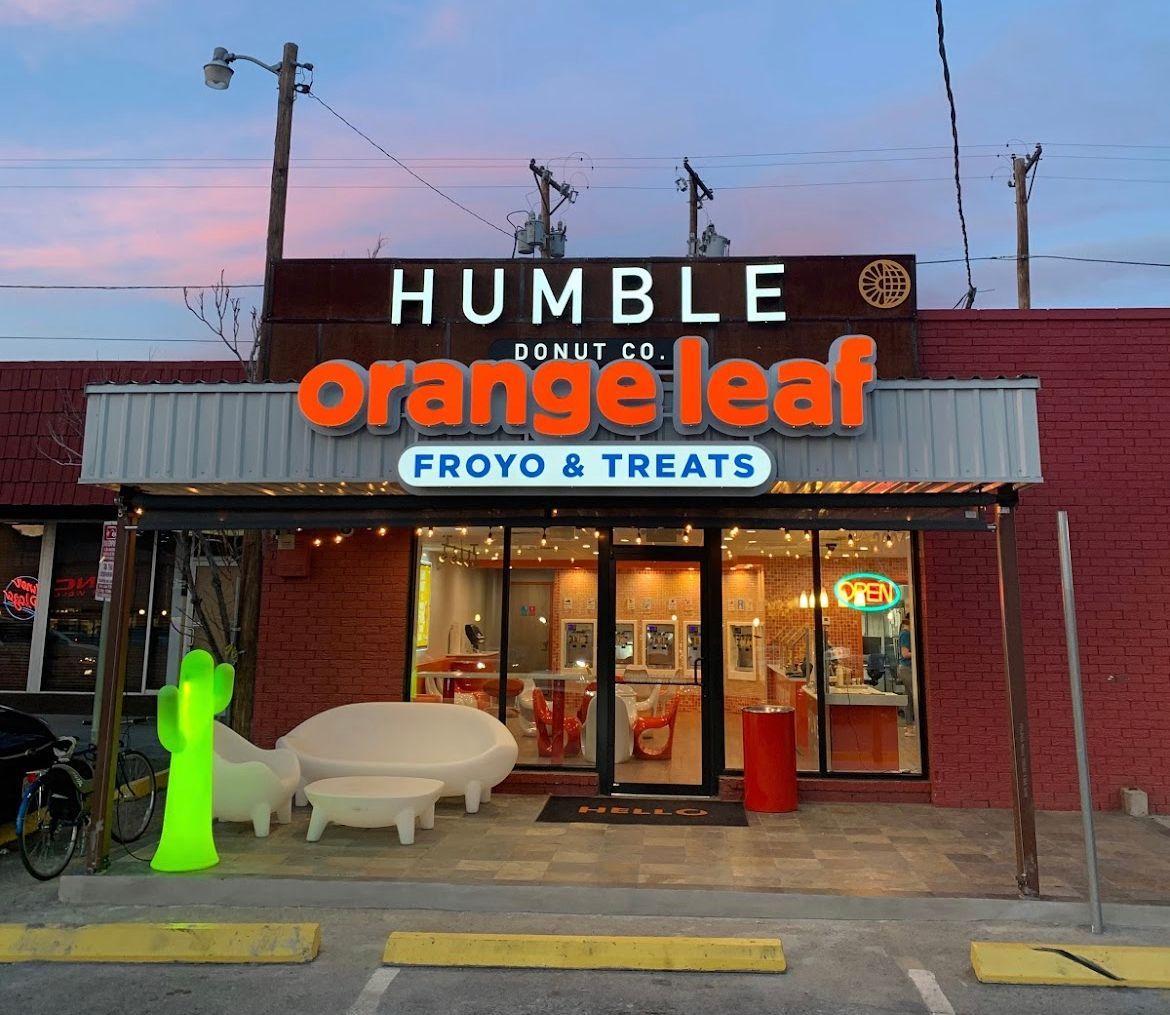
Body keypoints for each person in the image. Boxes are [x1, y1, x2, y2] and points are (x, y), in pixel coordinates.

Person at [897, 612, 916, 729]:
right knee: (915, 696)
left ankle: (910, 726)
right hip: (907, 668)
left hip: (904, 669)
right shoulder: (906, 634)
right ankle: (914, 724)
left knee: (909, 697)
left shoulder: (905, 633)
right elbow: (905, 654)